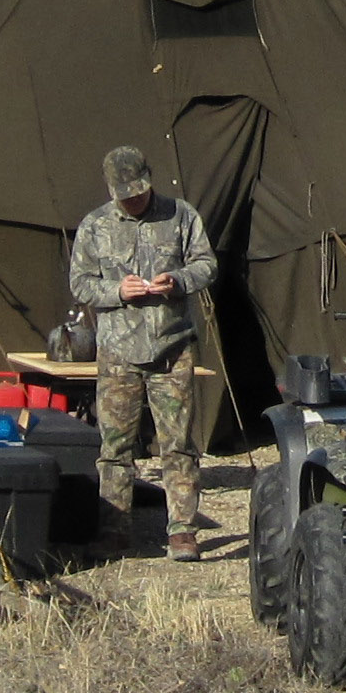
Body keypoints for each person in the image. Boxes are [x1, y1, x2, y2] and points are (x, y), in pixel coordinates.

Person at [68, 144, 214, 559]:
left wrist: (179, 280)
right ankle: (114, 529)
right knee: (115, 448)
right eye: (125, 194)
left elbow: (207, 264)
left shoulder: (180, 215)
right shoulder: (95, 226)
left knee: (178, 443)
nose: (133, 200)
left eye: (138, 192)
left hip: (172, 346)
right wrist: (116, 291)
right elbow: (80, 283)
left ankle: (183, 530)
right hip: (118, 351)